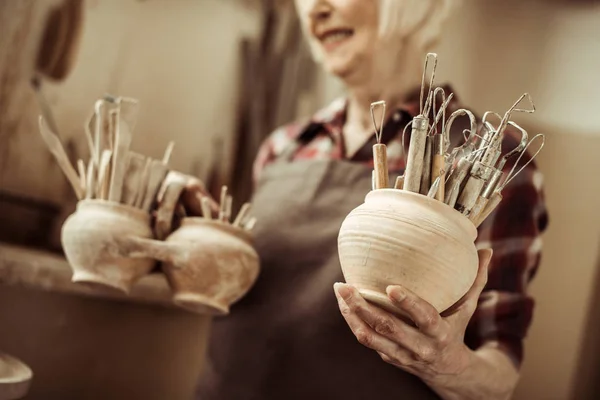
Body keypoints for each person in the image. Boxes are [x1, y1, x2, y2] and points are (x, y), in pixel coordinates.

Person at [164, 1, 548, 398]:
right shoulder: (283, 147)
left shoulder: (487, 165)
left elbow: (498, 377)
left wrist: (450, 366)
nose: (315, 10)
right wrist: (192, 236)